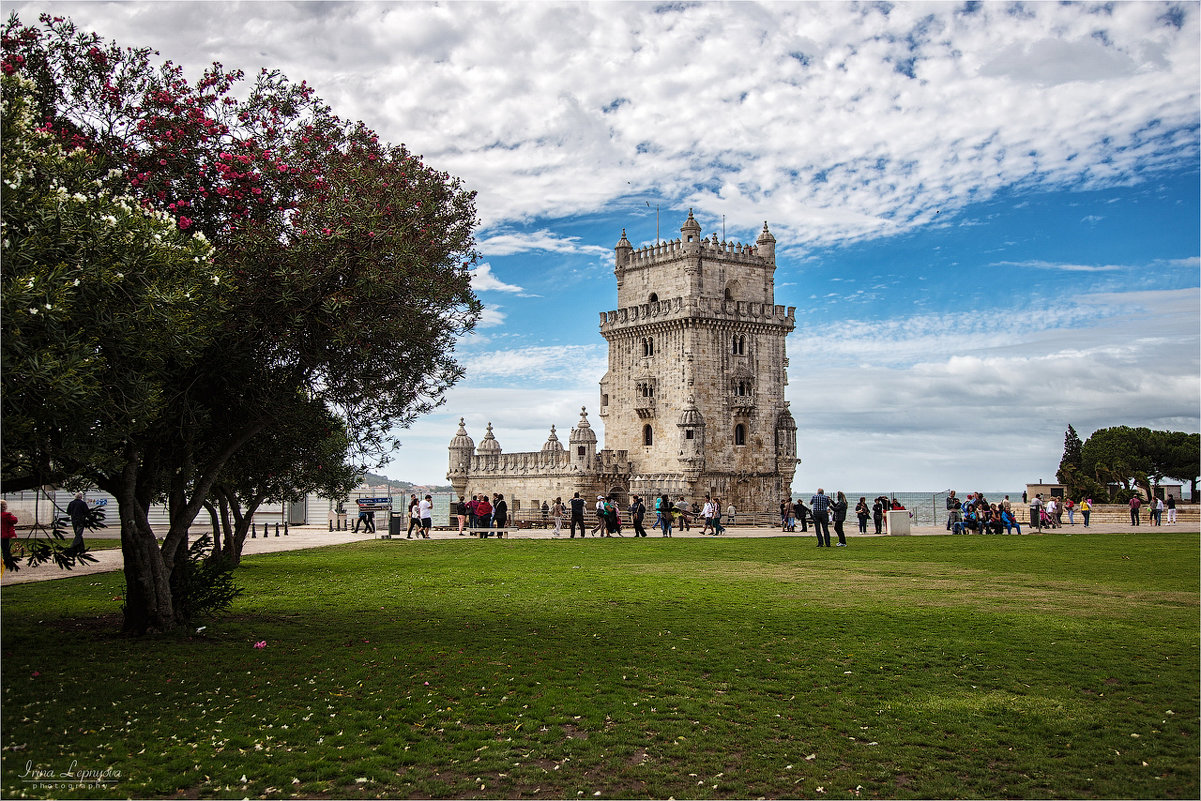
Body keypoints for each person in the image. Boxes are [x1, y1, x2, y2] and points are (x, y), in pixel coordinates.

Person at [2, 500, 18, 572]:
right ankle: (7, 563)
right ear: (4, 507)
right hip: (4, 535)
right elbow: (15, 520)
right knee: (5, 549)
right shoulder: (7, 515)